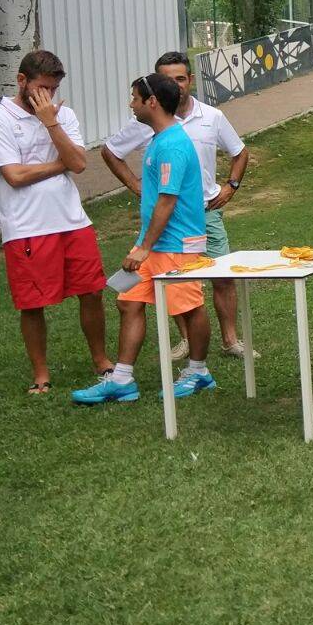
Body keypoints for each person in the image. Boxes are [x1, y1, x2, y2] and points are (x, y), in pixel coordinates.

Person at [101, 51, 251, 362]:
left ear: (190, 80)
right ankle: (136, 369)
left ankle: (217, 351)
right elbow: (112, 152)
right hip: (161, 230)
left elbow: (239, 152)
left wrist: (231, 186)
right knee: (136, 299)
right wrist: (136, 186)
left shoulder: (197, 125)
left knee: (209, 285)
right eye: (168, 79)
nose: (176, 85)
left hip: (194, 221)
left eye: (180, 78)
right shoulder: (153, 130)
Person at [0, 50, 112, 393]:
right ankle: (41, 375)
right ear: (22, 81)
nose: (47, 96)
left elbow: (79, 164)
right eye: (42, 88)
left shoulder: (62, 115)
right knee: (32, 303)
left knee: (92, 291)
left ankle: (101, 361)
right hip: (27, 227)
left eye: (53, 89)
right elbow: (15, 176)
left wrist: (51, 123)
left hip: (73, 221)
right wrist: (59, 164)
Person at [74, 73, 212, 405]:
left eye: (135, 98)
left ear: (152, 102)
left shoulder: (172, 145)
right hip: (155, 244)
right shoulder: (160, 140)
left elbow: (167, 200)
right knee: (129, 302)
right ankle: (122, 380)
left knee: (189, 308)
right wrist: (144, 244)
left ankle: (199, 372)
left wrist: (144, 246)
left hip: (177, 245)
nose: (130, 104)